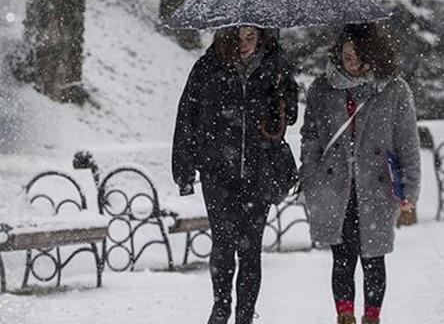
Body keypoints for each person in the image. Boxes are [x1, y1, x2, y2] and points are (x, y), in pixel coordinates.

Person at [172, 26, 299, 324]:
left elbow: (289, 116)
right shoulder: (208, 67)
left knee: (251, 248)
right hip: (218, 172)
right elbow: (187, 116)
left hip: (259, 170)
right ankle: (220, 308)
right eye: (237, 38)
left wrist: (283, 90)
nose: (243, 45)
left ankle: (244, 316)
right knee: (224, 243)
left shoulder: (275, 65)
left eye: (250, 38)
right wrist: (184, 168)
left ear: (261, 37)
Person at [300, 23, 420, 324]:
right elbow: (310, 138)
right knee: (342, 256)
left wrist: (409, 193)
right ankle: (344, 317)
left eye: (359, 55)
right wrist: (311, 179)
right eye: (347, 55)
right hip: (334, 186)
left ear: (375, 55)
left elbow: (408, 144)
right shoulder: (322, 88)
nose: (352, 62)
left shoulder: (394, 89)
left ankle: (371, 318)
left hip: (377, 188)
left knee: (373, 257)